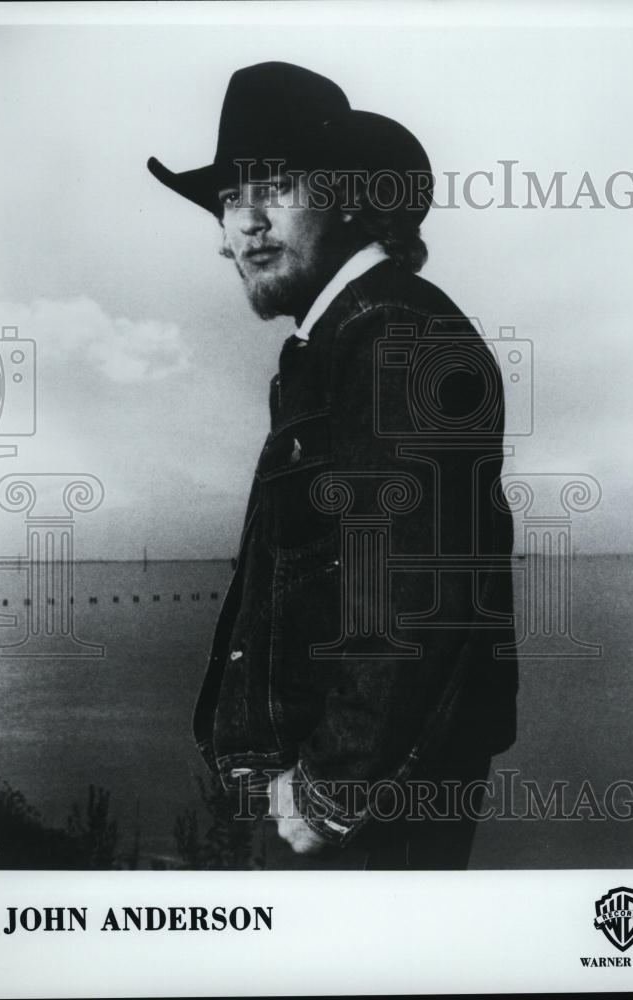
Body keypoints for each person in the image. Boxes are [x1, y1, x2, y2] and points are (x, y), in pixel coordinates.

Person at [148, 61, 518, 869]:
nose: (244, 226)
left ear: (348, 196)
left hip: (373, 800)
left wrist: (331, 794)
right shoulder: (341, 339)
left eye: (272, 188)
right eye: (228, 199)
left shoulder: (391, 335)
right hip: (349, 788)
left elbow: (417, 597)